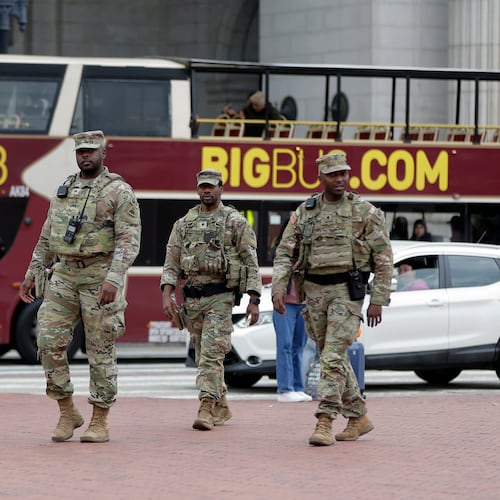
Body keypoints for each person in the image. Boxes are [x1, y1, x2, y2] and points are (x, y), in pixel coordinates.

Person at [19, 130, 141, 443]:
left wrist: (114, 277)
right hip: (62, 275)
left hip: (99, 275)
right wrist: (33, 271)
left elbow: (129, 239)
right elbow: (47, 236)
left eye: (91, 151)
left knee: (100, 349)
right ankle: (67, 411)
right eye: (80, 151)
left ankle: (100, 419)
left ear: (103, 152)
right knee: (47, 341)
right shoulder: (64, 189)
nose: (85, 156)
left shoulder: (118, 191)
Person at [272, 152, 393, 447]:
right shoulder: (305, 212)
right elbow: (285, 252)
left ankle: (325, 419)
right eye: (333, 174)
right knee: (333, 358)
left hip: (346, 293)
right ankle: (358, 416)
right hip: (313, 294)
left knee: (331, 356)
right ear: (321, 177)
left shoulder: (364, 211)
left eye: (343, 173)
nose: (340, 179)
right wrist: (278, 286)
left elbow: (384, 257)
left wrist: (378, 298)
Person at [160, 168, 262, 431]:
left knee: (211, 357)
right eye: (203, 186)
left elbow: (250, 260)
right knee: (203, 353)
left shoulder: (234, 221)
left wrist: (254, 298)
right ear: (197, 190)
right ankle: (223, 404)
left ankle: (206, 406)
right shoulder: (184, 223)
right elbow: (171, 260)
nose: (207, 190)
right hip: (192, 300)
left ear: (220, 188)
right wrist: (167, 292)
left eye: (212, 186)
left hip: (220, 297)